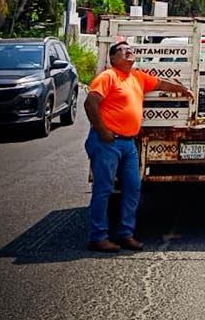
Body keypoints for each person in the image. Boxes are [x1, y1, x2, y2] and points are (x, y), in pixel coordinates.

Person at [83, 39, 193, 253]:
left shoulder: (137, 77)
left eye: (130, 49)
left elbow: (161, 84)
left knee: (133, 188)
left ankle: (126, 234)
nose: (127, 52)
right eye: (122, 50)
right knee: (103, 189)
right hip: (108, 142)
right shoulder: (108, 76)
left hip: (128, 143)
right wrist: (103, 131)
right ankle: (98, 237)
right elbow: (90, 102)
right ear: (113, 58)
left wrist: (182, 89)